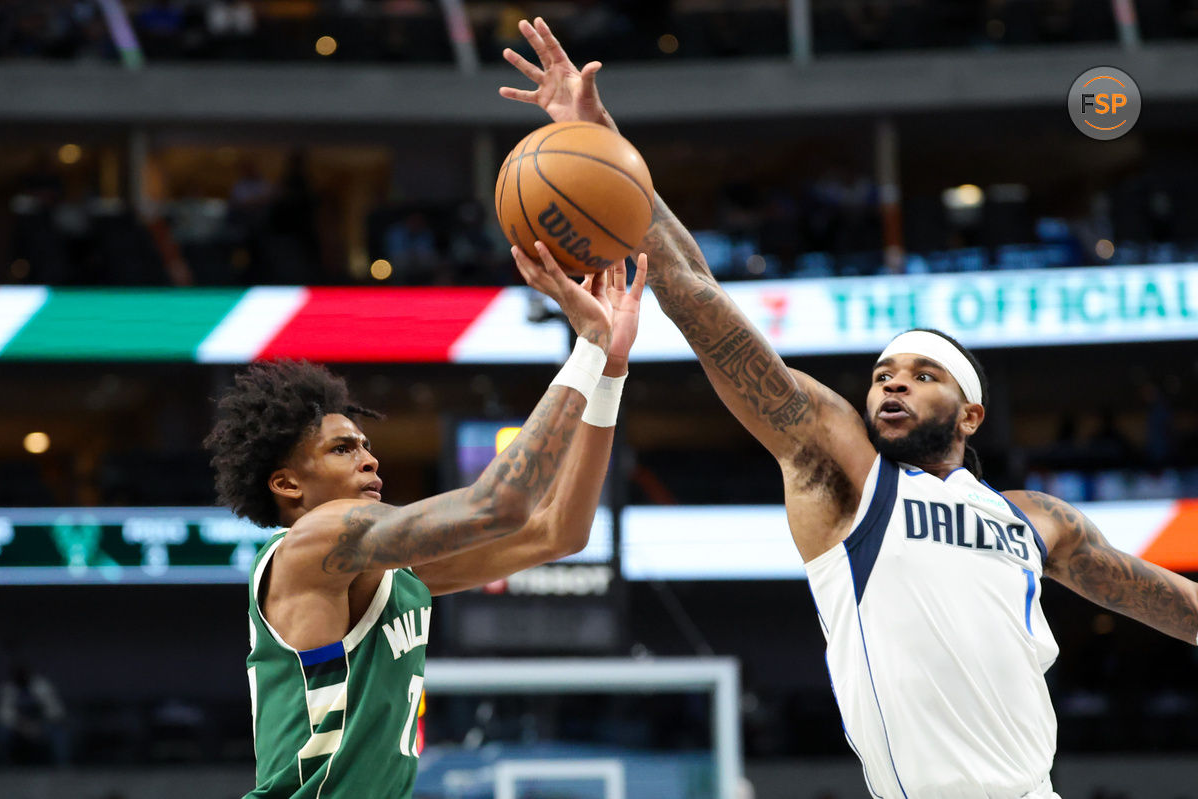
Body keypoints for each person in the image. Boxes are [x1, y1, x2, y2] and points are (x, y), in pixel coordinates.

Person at [500, 18, 1198, 798]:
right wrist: (605, 150)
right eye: (882, 372)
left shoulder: (1040, 521)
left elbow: (1177, 605)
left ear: (969, 414)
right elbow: (700, 300)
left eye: (922, 374)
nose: (891, 384)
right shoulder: (845, 472)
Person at [205, 246, 648, 798]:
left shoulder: (385, 573)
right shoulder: (312, 543)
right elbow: (499, 505)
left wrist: (610, 372)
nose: (369, 459)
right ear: (287, 484)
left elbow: (559, 531)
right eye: (343, 450)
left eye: (366, 446)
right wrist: (587, 346)